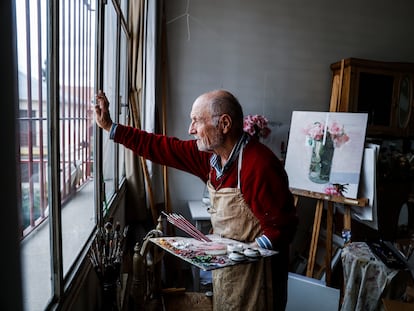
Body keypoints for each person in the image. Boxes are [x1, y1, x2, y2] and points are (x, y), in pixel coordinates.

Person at [95, 89, 298, 311]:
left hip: (260, 277)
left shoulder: (259, 165)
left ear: (225, 124)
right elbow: (161, 147)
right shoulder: (210, 157)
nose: (190, 130)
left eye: (196, 122)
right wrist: (111, 127)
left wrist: (243, 252)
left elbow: (283, 228)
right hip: (229, 270)